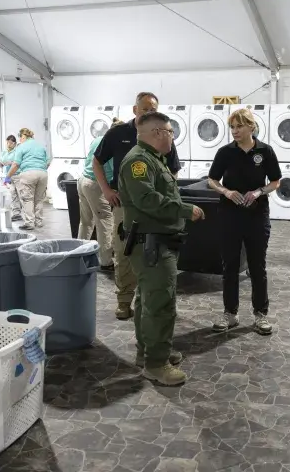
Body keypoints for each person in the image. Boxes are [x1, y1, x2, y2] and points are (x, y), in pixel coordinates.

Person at [118, 111, 204, 386]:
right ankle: (156, 365)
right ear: (157, 133)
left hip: (156, 241)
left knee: (148, 300)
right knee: (160, 304)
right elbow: (148, 200)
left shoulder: (153, 159)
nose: (172, 137)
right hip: (151, 243)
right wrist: (186, 209)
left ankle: (150, 353)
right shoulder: (138, 162)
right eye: (170, 131)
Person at [93, 92, 182, 320]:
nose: (149, 113)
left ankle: (148, 300)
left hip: (153, 207)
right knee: (124, 251)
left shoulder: (162, 133)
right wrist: (106, 190)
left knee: (153, 252)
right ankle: (124, 301)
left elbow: (173, 168)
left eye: (153, 109)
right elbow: (97, 161)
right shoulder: (119, 133)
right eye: (145, 109)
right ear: (135, 110)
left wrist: (163, 196)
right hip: (125, 205)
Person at [207, 108, 281, 335]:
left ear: (251, 126)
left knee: (257, 266)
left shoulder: (265, 151)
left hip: (257, 217)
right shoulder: (225, 152)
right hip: (229, 215)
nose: (235, 131)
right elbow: (212, 180)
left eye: (239, 126)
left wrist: (259, 191)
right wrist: (226, 192)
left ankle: (260, 315)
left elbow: (276, 181)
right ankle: (230, 313)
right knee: (229, 266)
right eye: (232, 127)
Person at [78, 121, 119, 273]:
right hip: (95, 185)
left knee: (86, 221)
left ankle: (79, 253)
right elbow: (111, 170)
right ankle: (106, 261)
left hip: (82, 180)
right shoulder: (113, 143)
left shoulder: (97, 139)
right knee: (105, 220)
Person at [5, 128, 50, 231]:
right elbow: (48, 162)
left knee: (27, 199)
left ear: (23, 137)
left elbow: (16, 164)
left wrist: (7, 176)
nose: (19, 140)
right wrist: (40, 168)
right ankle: (39, 222)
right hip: (43, 174)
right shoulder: (40, 146)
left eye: (20, 138)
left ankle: (29, 223)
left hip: (28, 174)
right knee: (39, 199)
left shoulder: (21, 146)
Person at [0, 135, 22, 221]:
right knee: (13, 194)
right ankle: (16, 214)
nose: (8, 144)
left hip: (17, 174)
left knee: (21, 194)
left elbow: (18, 162)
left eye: (10, 143)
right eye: (7, 142)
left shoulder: (17, 151)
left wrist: (10, 163)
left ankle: (27, 214)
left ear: (14, 143)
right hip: (8, 176)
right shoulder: (4, 152)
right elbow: (2, 165)